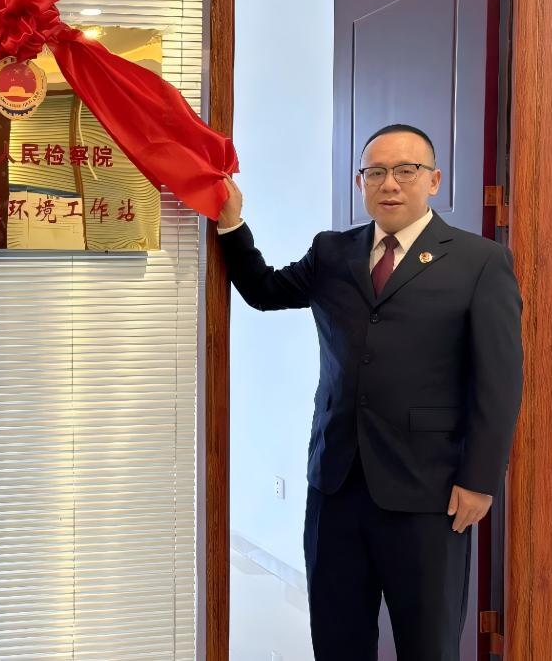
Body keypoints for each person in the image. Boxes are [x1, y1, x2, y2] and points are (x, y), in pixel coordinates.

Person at [216, 123, 523, 660]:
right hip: (336, 485)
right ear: (361, 182)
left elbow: (499, 381)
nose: (390, 184)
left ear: (434, 180)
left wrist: (479, 480)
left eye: (406, 171)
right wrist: (231, 223)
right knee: (338, 638)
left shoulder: (479, 261)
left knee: (427, 643)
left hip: (429, 492)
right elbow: (264, 291)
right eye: (376, 172)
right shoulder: (333, 251)